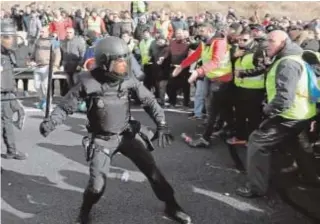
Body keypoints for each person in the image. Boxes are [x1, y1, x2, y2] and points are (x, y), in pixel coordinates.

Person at [39, 36, 192, 224]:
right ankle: (84, 212)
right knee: (96, 187)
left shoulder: (129, 80)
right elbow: (65, 107)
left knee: (154, 173)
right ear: (104, 63)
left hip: (127, 134)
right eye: (118, 61)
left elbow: (150, 101)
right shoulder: (88, 83)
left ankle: (171, 205)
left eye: (125, 59)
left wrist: (161, 123)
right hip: (102, 140)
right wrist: (51, 122)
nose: (124, 65)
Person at [236, 30, 320, 198]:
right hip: (301, 114)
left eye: (271, 40)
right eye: (266, 40)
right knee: (298, 146)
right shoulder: (293, 58)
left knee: (257, 142)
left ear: (284, 43)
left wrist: (268, 110)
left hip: (288, 114)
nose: (266, 44)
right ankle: (312, 178)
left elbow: (284, 98)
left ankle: (256, 188)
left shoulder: (288, 63)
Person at [1, 19, 27, 160]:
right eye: (8, 37)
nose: (11, 41)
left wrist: (13, 92)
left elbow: (9, 75)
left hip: (6, 94)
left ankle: (12, 150)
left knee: (8, 123)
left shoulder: (7, 54)